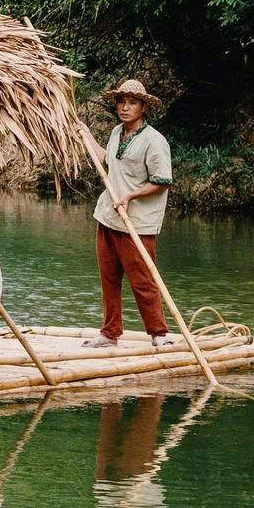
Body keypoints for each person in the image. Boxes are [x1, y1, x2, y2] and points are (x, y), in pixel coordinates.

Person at [86, 78, 173, 350]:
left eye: (132, 103)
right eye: (121, 102)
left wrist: (130, 196)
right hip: (108, 216)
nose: (125, 107)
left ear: (143, 106)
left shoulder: (154, 141)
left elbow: (161, 181)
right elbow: (106, 160)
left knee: (143, 280)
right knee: (109, 278)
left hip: (136, 222)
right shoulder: (116, 133)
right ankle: (110, 333)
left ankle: (158, 333)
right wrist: (85, 135)